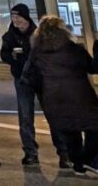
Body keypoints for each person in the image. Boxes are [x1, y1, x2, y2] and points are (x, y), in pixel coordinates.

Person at [20, 16, 98, 177]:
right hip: (81, 97)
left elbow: (27, 77)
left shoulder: (36, 53)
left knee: (70, 134)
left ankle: (78, 164)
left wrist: (44, 89)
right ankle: (88, 159)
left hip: (54, 100)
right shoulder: (74, 49)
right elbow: (91, 68)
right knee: (93, 127)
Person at [0, 3, 68, 169]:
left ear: (25, 17)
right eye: (13, 17)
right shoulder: (9, 36)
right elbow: (4, 54)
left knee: (52, 114)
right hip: (22, 80)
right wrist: (13, 57)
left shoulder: (38, 34)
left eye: (18, 16)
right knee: (25, 116)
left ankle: (64, 153)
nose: (15, 20)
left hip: (41, 79)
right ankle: (30, 153)